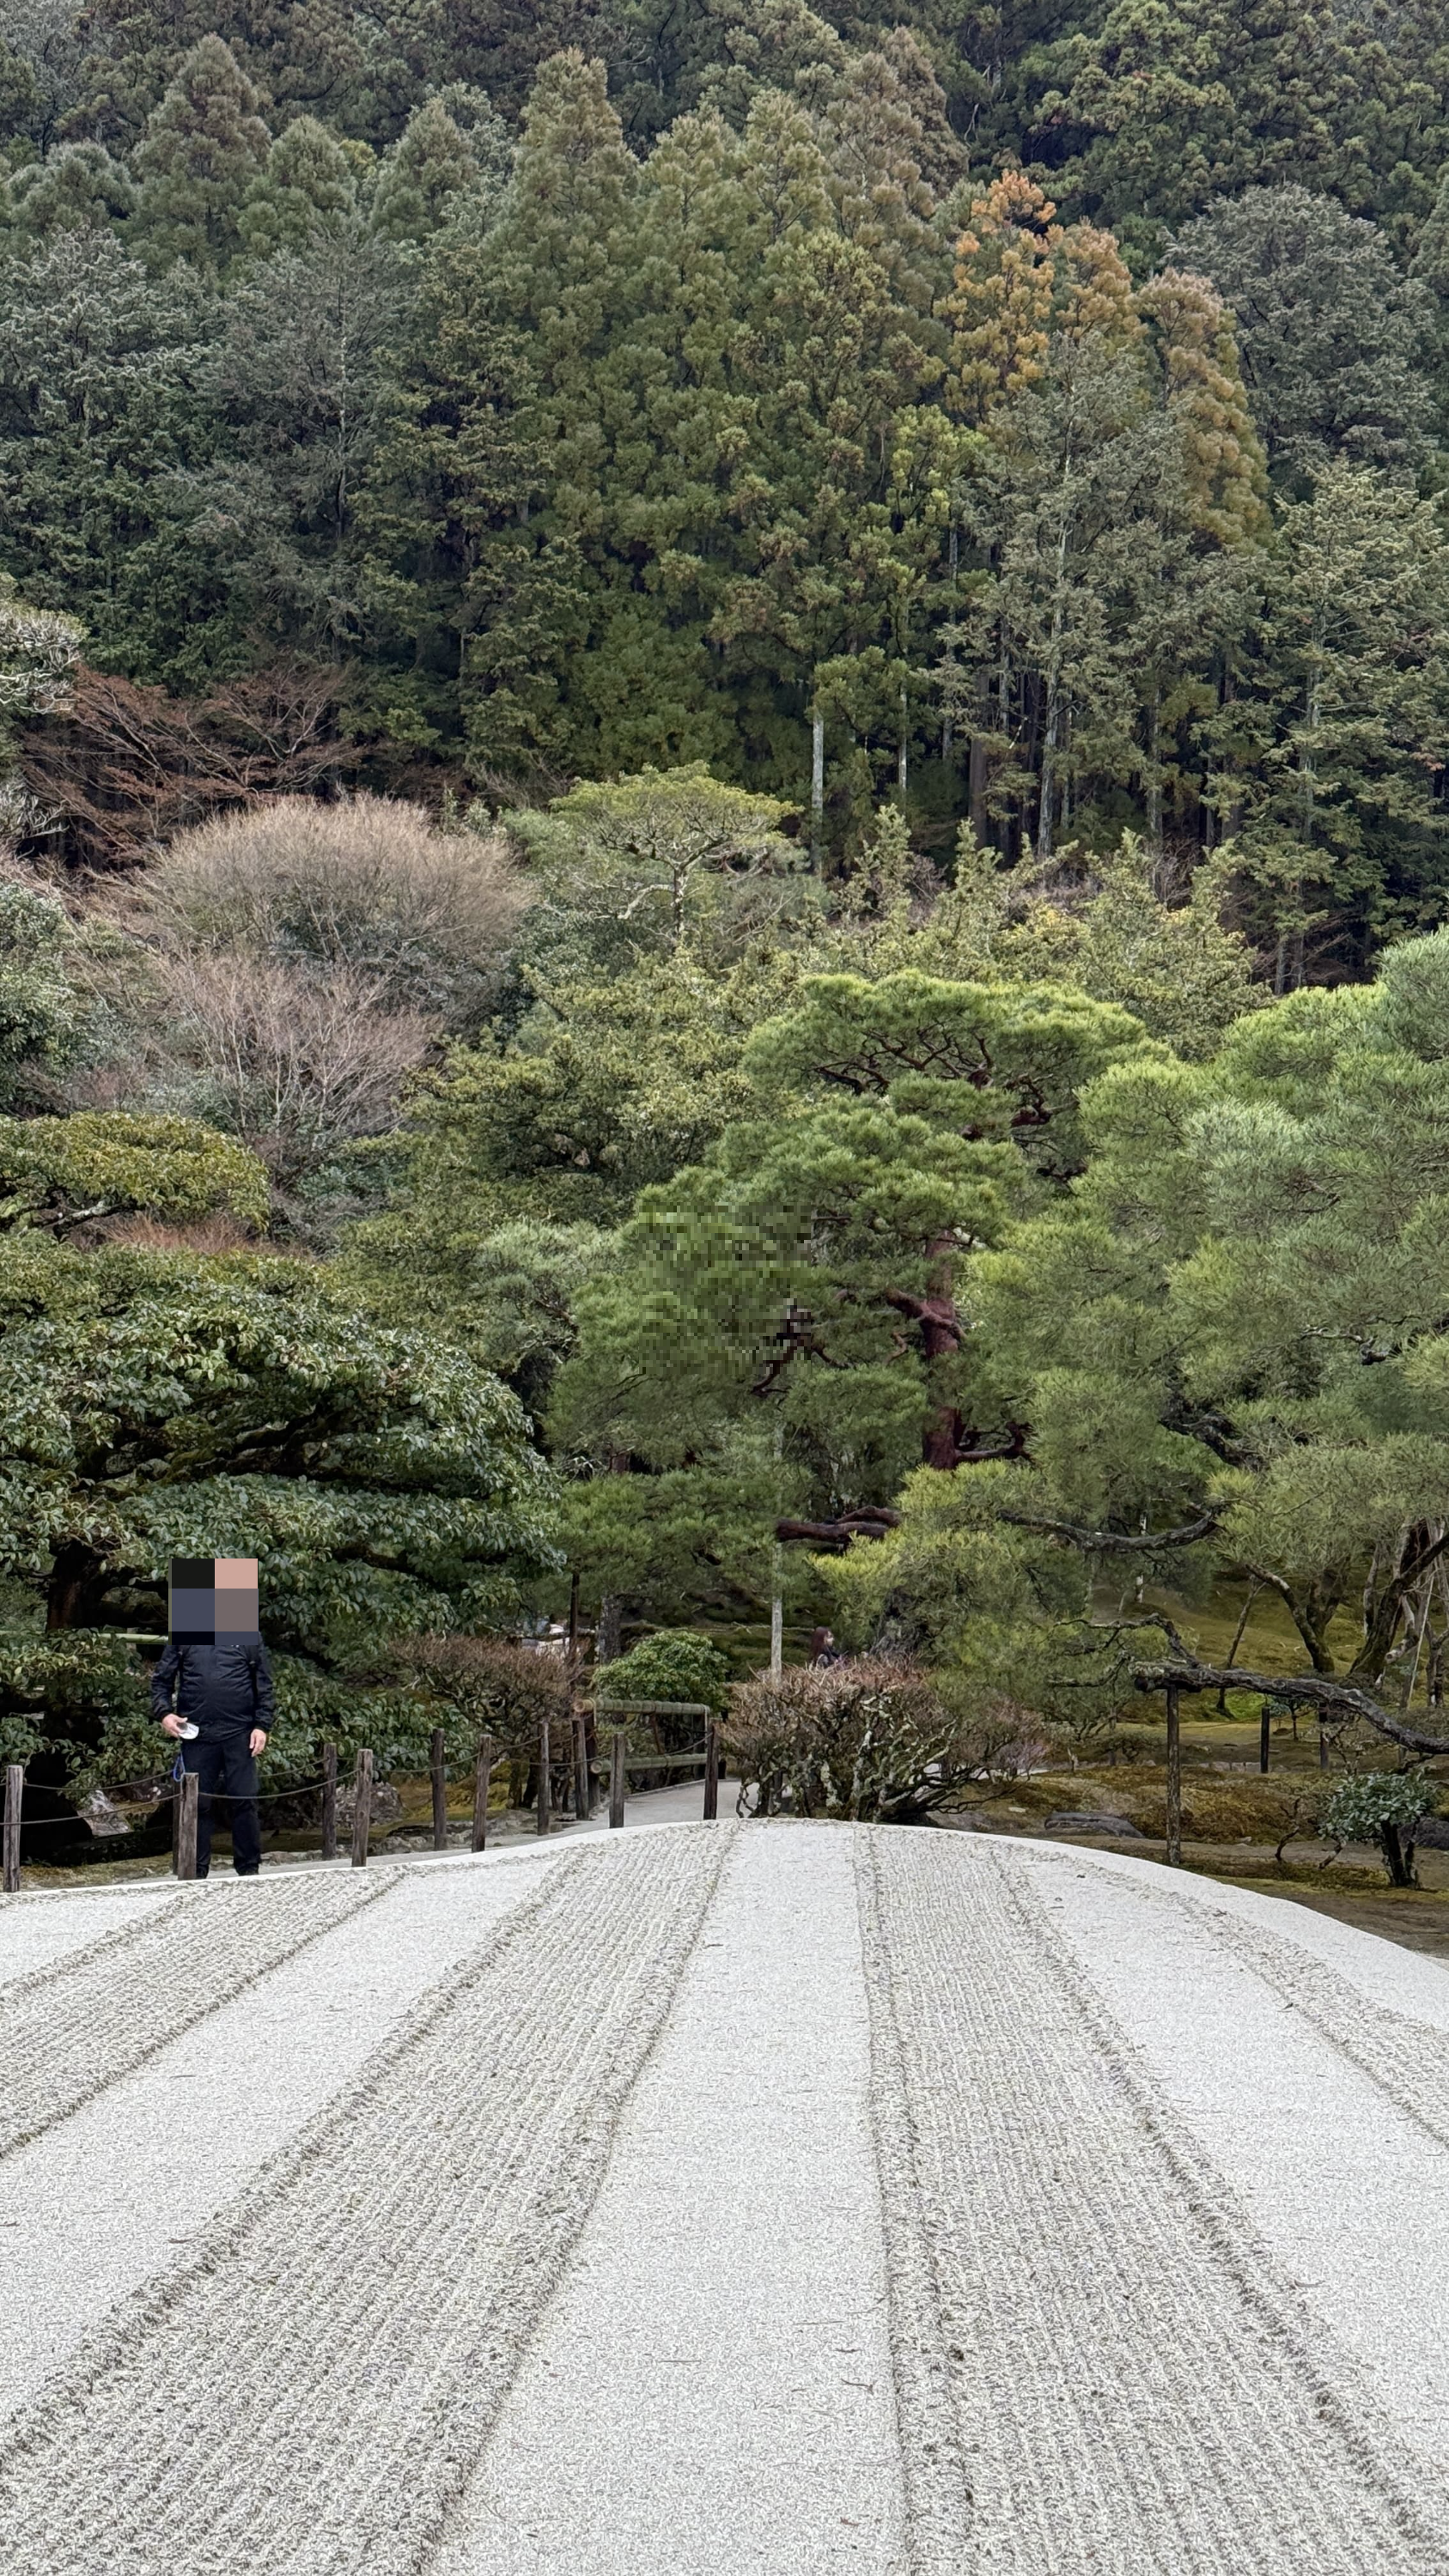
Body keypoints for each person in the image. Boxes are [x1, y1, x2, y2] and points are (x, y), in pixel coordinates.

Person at [152, 1633, 275, 1877]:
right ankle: (194, 1872)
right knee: (197, 1804)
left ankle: (249, 1870)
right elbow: (161, 1680)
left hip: (240, 1732)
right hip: (196, 1733)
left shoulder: (248, 1635)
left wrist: (262, 1726)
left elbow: (264, 1684)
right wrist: (164, 1713)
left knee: (244, 1799)